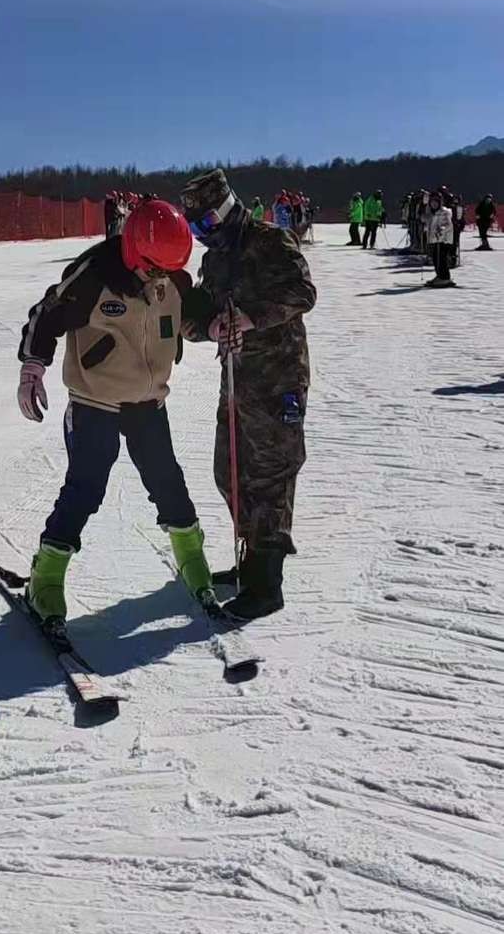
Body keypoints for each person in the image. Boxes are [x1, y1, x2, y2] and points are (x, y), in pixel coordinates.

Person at [17, 199, 214, 626]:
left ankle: (191, 554)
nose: (161, 279)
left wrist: (216, 327)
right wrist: (33, 366)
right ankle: (46, 576)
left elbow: (191, 316)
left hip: (148, 402)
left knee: (167, 480)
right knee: (86, 487)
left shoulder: (171, 278)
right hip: (95, 401)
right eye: (154, 270)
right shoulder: (94, 275)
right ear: (133, 252)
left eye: (168, 271)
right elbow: (45, 316)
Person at [179, 169, 316, 622]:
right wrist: (207, 326)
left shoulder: (271, 241)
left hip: (278, 378)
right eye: (194, 229)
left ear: (226, 211)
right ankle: (250, 559)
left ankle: (266, 583)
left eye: (205, 226)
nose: (202, 237)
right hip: (236, 376)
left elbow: (302, 293)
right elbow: (203, 314)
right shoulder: (215, 260)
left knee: (270, 475)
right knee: (230, 469)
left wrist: (252, 318)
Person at [426, 192, 456, 286]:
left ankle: (445, 277)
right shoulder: (432, 213)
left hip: (444, 239)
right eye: (432, 202)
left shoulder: (445, 212)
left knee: (441, 258)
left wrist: (441, 229)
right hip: (435, 239)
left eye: (436, 202)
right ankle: (439, 275)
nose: (434, 204)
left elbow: (448, 224)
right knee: (436, 258)